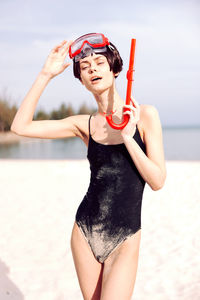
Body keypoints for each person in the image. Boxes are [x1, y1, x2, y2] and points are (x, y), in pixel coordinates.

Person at [11, 33, 166, 300]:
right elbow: (20, 126)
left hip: (125, 236)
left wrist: (128, 138)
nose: (92, 68)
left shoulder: (145, 116)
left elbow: (157, 181)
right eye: (84, 67)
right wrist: (46, 74)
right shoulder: (84, 124)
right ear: (81, 81)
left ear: (115, 68)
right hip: (85, 231)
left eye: (99, 62)